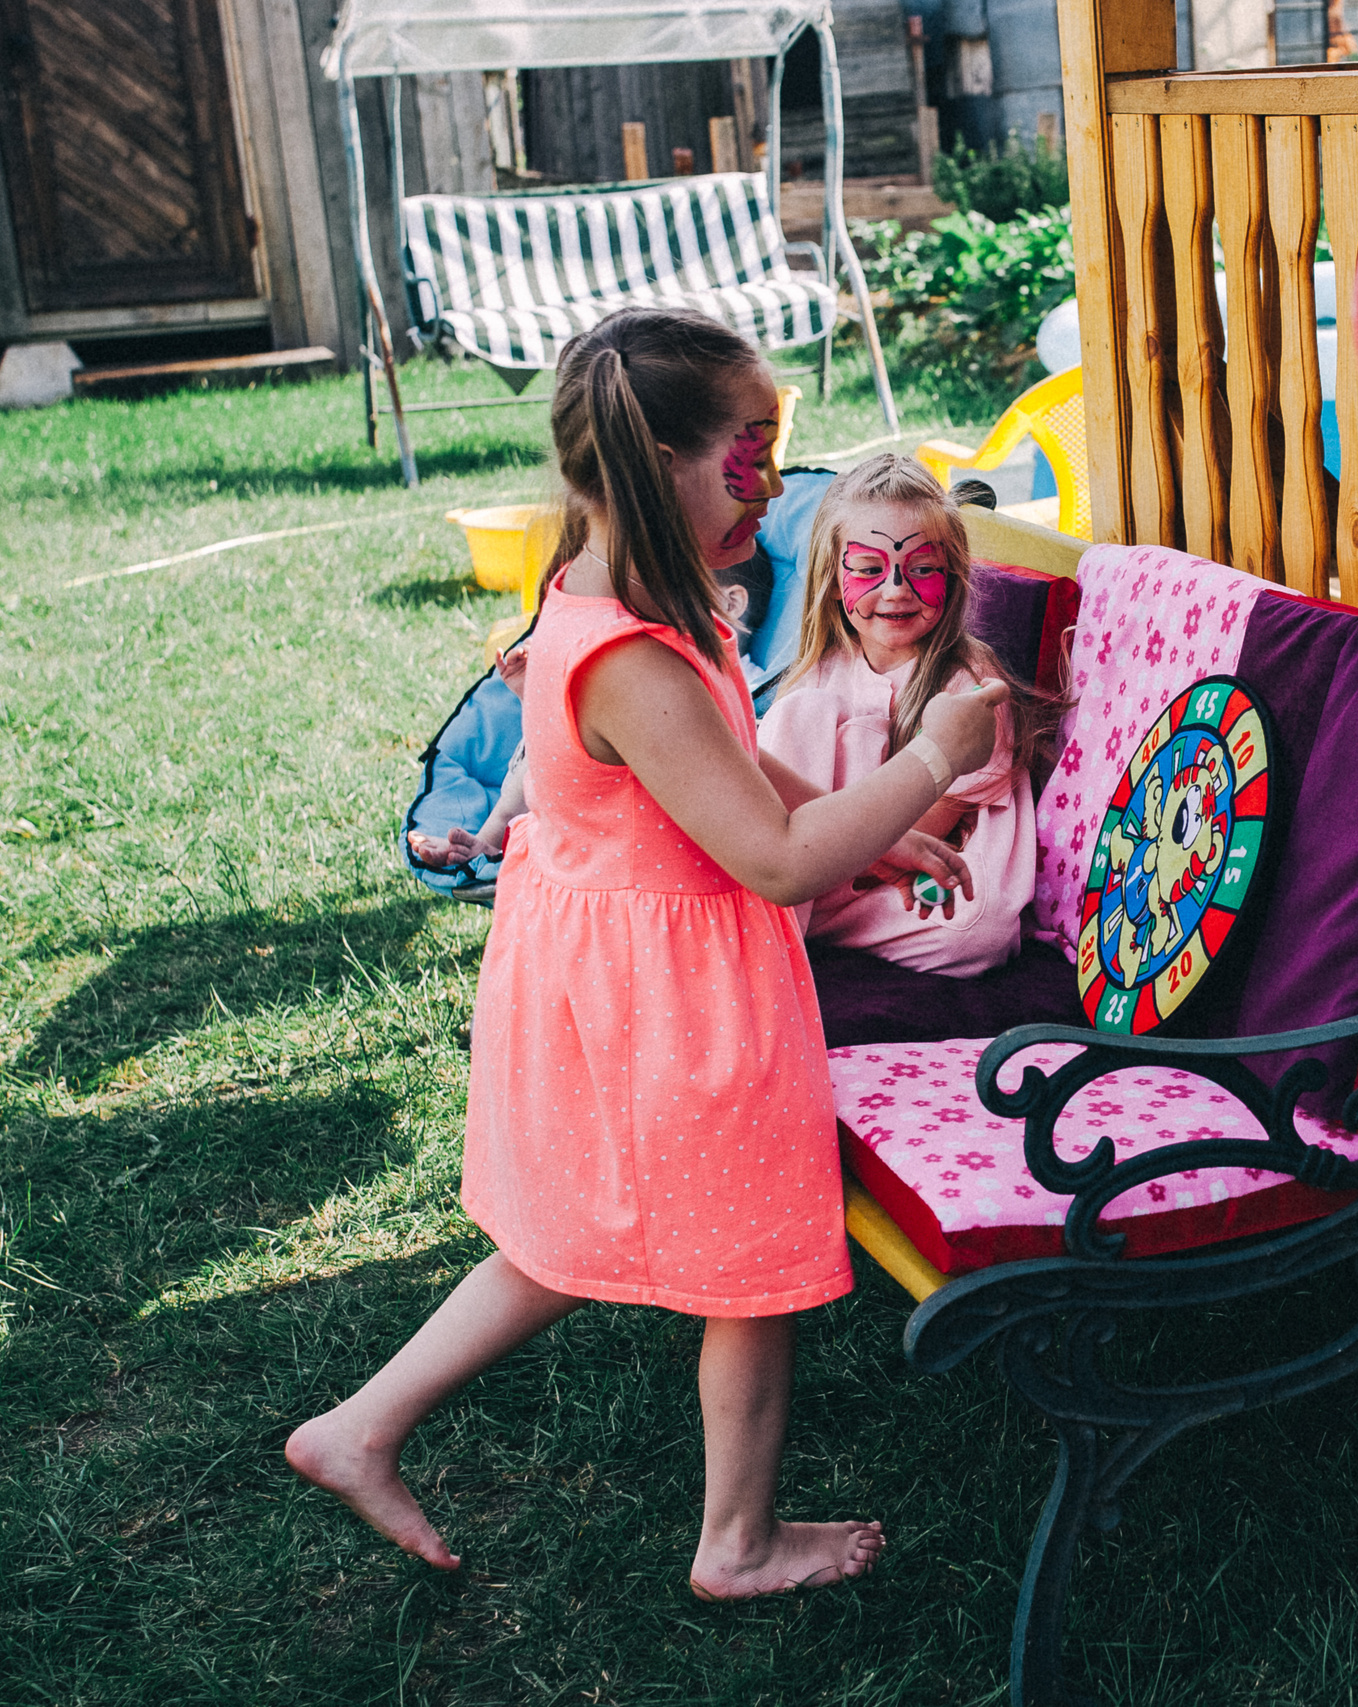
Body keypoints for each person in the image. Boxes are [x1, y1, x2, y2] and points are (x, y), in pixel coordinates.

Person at [287, 307, 1002, 1599]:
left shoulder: (619, 585)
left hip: (616, 978)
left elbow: (733, 758)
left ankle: (359, 1426)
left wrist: (882, 836)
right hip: (676, 998)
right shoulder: (629, 658)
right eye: (751, 453)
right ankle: (737, 1541)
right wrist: (928, 765)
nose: (772, 487)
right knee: (758, 1259)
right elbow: (775, 858)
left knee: (569, 1234)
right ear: (658, 463)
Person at [756, 455, 1050, 977]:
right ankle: (787, 917)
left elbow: (918, 835)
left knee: (976, 927)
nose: (896, 589)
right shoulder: (816, 679)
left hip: (902, 868)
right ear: (832, 578)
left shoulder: (971, 687)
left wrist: (825, 871)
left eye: (922, 569)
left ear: (951, 576)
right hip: (809, 860)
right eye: (869, 569)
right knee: (803, 710)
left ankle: (797, 924)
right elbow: (775, 807)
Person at [408, 542, 776, 871]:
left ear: (731, 603)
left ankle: (497, 846)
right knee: (550, 744)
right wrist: (533, 696)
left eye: (670, 589)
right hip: (593, 780)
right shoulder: (649, 661)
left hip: (658, 807)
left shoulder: (749, 684)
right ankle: (486, 843)